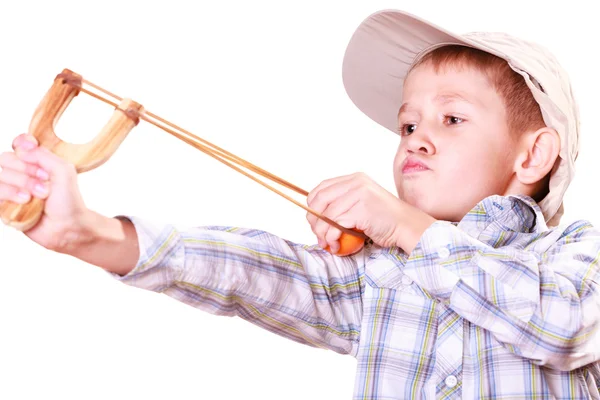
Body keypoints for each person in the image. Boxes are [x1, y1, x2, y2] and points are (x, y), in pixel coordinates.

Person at [1, 8, 599, 399]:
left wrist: (409, 228)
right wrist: (88, 233)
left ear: (532, 156)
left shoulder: (573, 254)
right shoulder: (384, 272)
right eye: (407, 124)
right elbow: (257, 273)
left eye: (452, 117)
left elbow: (563, 324)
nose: (417, 136)